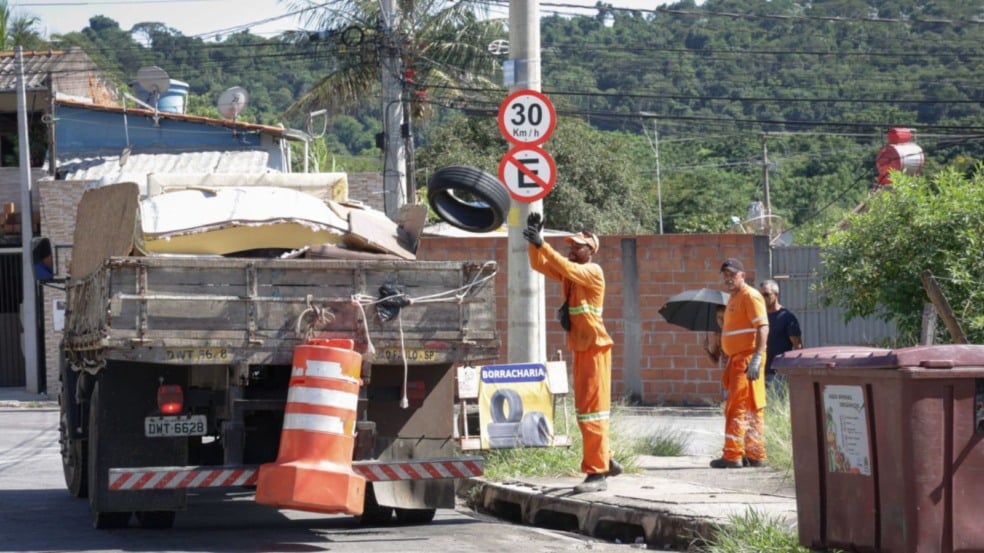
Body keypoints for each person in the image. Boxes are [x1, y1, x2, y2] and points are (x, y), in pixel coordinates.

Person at [523, 212, 620, 493]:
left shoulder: (592, 271)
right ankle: (606, 460)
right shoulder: (572, 275)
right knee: (586, 412)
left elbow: (564, 265)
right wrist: (533, 242)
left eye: (579, 246)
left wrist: (543, 244)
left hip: (595, 348)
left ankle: (597, 474)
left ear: (591, 250)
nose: (573, 249)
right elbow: (539, 264)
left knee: (592, 413)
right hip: (582, 347)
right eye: (572, 245)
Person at [711, 257, 769, 469]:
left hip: (746, 360)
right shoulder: (734, 298)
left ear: (742, 276)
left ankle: (732, 455)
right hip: (739, 359)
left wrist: (755, 358)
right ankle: (755, 454)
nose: (728, 279)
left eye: (732, 275)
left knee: (737, 407)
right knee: (752, 407)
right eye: (725, 276)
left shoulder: (750, 296)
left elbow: (763, 327)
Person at [759, 279, 803, 394]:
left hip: (779, 373)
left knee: (776, 408)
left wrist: (796, 371)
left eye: (766, 295)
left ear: (776, 294)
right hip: (760, 371)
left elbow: (797, 345)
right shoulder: (759, 317)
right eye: (761, 295)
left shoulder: (787, 317)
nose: (763, 298)